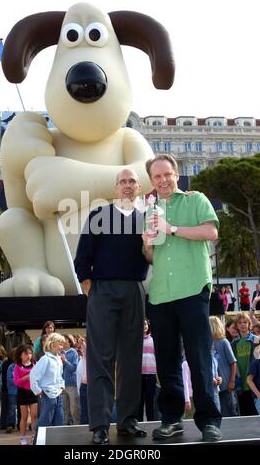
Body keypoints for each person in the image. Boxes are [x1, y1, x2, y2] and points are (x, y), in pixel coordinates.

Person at [142, 154, 222, 442]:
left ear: (176, 174)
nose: (162, 180)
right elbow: (150, 257)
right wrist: (147, 243)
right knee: (167, 361)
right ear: (151, 181)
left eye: (167, 174)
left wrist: (171, 229)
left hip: (192, 288)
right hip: (161, 293)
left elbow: (211, 231)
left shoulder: (195, 199)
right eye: (156, 177)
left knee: (199, 357)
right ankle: (172, 419)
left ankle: (209, 420)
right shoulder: (149, 210)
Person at [74, 168, 148, 445]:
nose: (127, 185)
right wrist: (90, 287)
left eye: (132, 181)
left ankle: (128, 421)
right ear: (116, 187)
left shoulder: (146, 219)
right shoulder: (99, 216)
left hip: (134, 290)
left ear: (139, 187)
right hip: (102, 291)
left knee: (131, 359)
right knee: (101, 360)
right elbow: (82, 257)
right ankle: (101, 425)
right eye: (122, 182)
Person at [30, 333, 65, 428]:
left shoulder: (58, 360)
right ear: (52, 344)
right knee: (45, 421)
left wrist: (62, 386)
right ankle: (38, 440)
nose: (62, 347)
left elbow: (60, 375)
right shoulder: (45, 359)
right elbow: (33, 375)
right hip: (48, 395)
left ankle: (57, 441)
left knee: (59, 420)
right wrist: (37, 391)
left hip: (58, 394)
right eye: (60, 344)